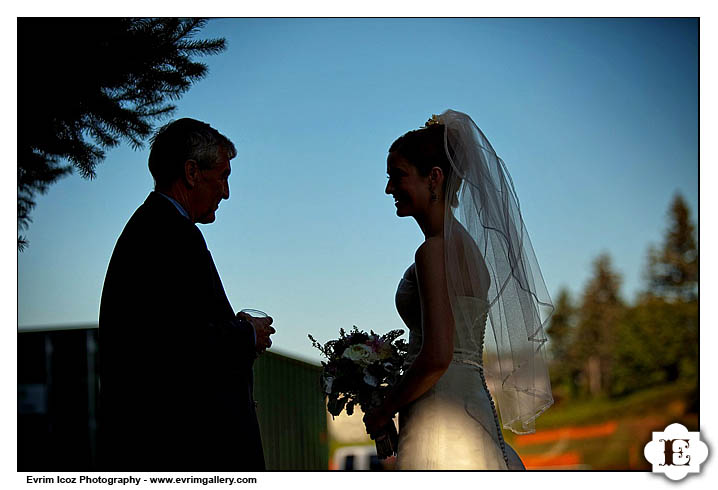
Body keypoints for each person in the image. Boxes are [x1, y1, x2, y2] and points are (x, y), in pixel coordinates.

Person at [363, 110, 554, 469]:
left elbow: (437, 356)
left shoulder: (433, 251)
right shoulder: (472, 253)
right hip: (475, 407)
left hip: (440, 412)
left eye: (398, 177)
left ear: (434, 178)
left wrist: (382, 408)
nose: (389, 189)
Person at [98, 118, 275, 471]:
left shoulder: (152, 227)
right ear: (192, 172)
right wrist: (246, 334)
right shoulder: (169, 233)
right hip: (181, 449)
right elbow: (178, 342)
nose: (226, 192)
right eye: (223, 176)